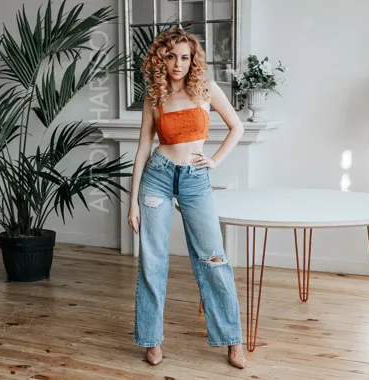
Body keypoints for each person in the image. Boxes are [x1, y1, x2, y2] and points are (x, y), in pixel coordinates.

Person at [127, 27, 247, 369]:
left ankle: (231, 341)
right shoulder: (155, 96)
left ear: (192, 60)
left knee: (214, 259)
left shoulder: (206, 89)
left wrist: (214, 161)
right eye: (171, 56)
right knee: (152, 262)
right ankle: (151, 340)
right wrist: (132, 201)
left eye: (185, 57)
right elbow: (142, 150)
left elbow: (236, 127)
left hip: (195, 179)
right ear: (160, 58)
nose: (178, 63)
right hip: (158, 177)